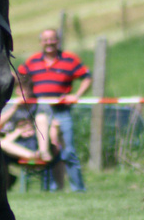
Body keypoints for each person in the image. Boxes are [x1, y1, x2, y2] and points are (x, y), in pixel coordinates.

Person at [17, 28, 92, 192]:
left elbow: (87, 77)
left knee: (68, 151)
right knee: (47, 150)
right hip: (40, 112)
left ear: (58, 41)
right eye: (46, 40)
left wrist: (77, 95)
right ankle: (51, 189)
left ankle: (79, 189)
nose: (49, 43)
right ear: (40, 42)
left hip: (62, 112)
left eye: (52, 39)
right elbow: (18, 78)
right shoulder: (32, 61)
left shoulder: (70, 59)